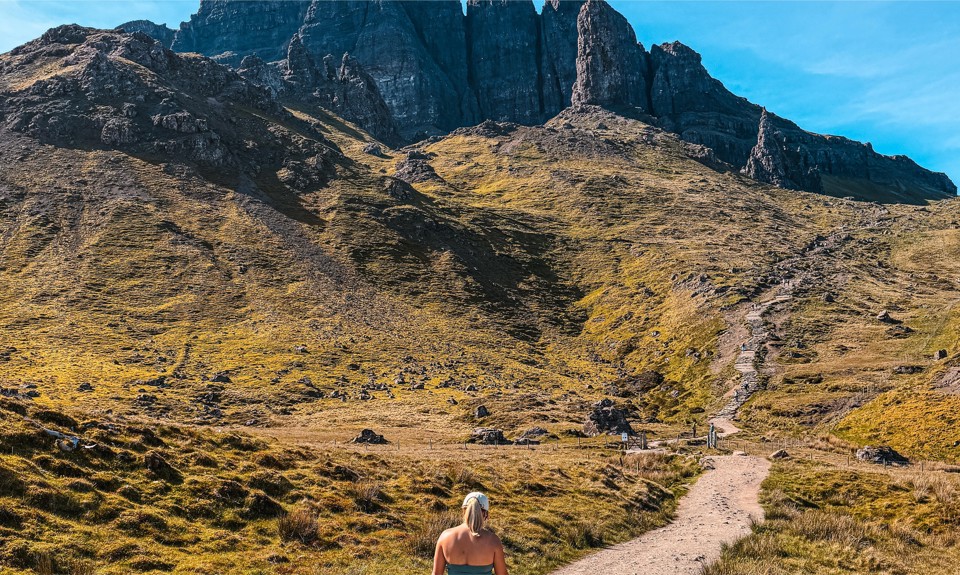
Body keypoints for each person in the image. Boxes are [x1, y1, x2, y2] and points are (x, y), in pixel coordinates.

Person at [433, 492, 508, 575]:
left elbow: (436, 573)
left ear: (464, 511)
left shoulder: (445, 537)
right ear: (486, 514)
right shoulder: (493, 541)